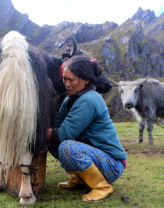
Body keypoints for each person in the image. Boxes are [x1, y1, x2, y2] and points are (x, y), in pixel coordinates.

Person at [47, 55, 127, 202]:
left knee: (67, 147)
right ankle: (81, 178)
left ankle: (102, 186)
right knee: (51, 143)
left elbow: (64, 134)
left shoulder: (89, 100)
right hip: (95, 156)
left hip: (112, 165)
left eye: (71, 80)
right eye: (64, 79)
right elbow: (57, 124)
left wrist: (36, 132)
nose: (67, 84)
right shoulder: (70, 99)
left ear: (86, 80)